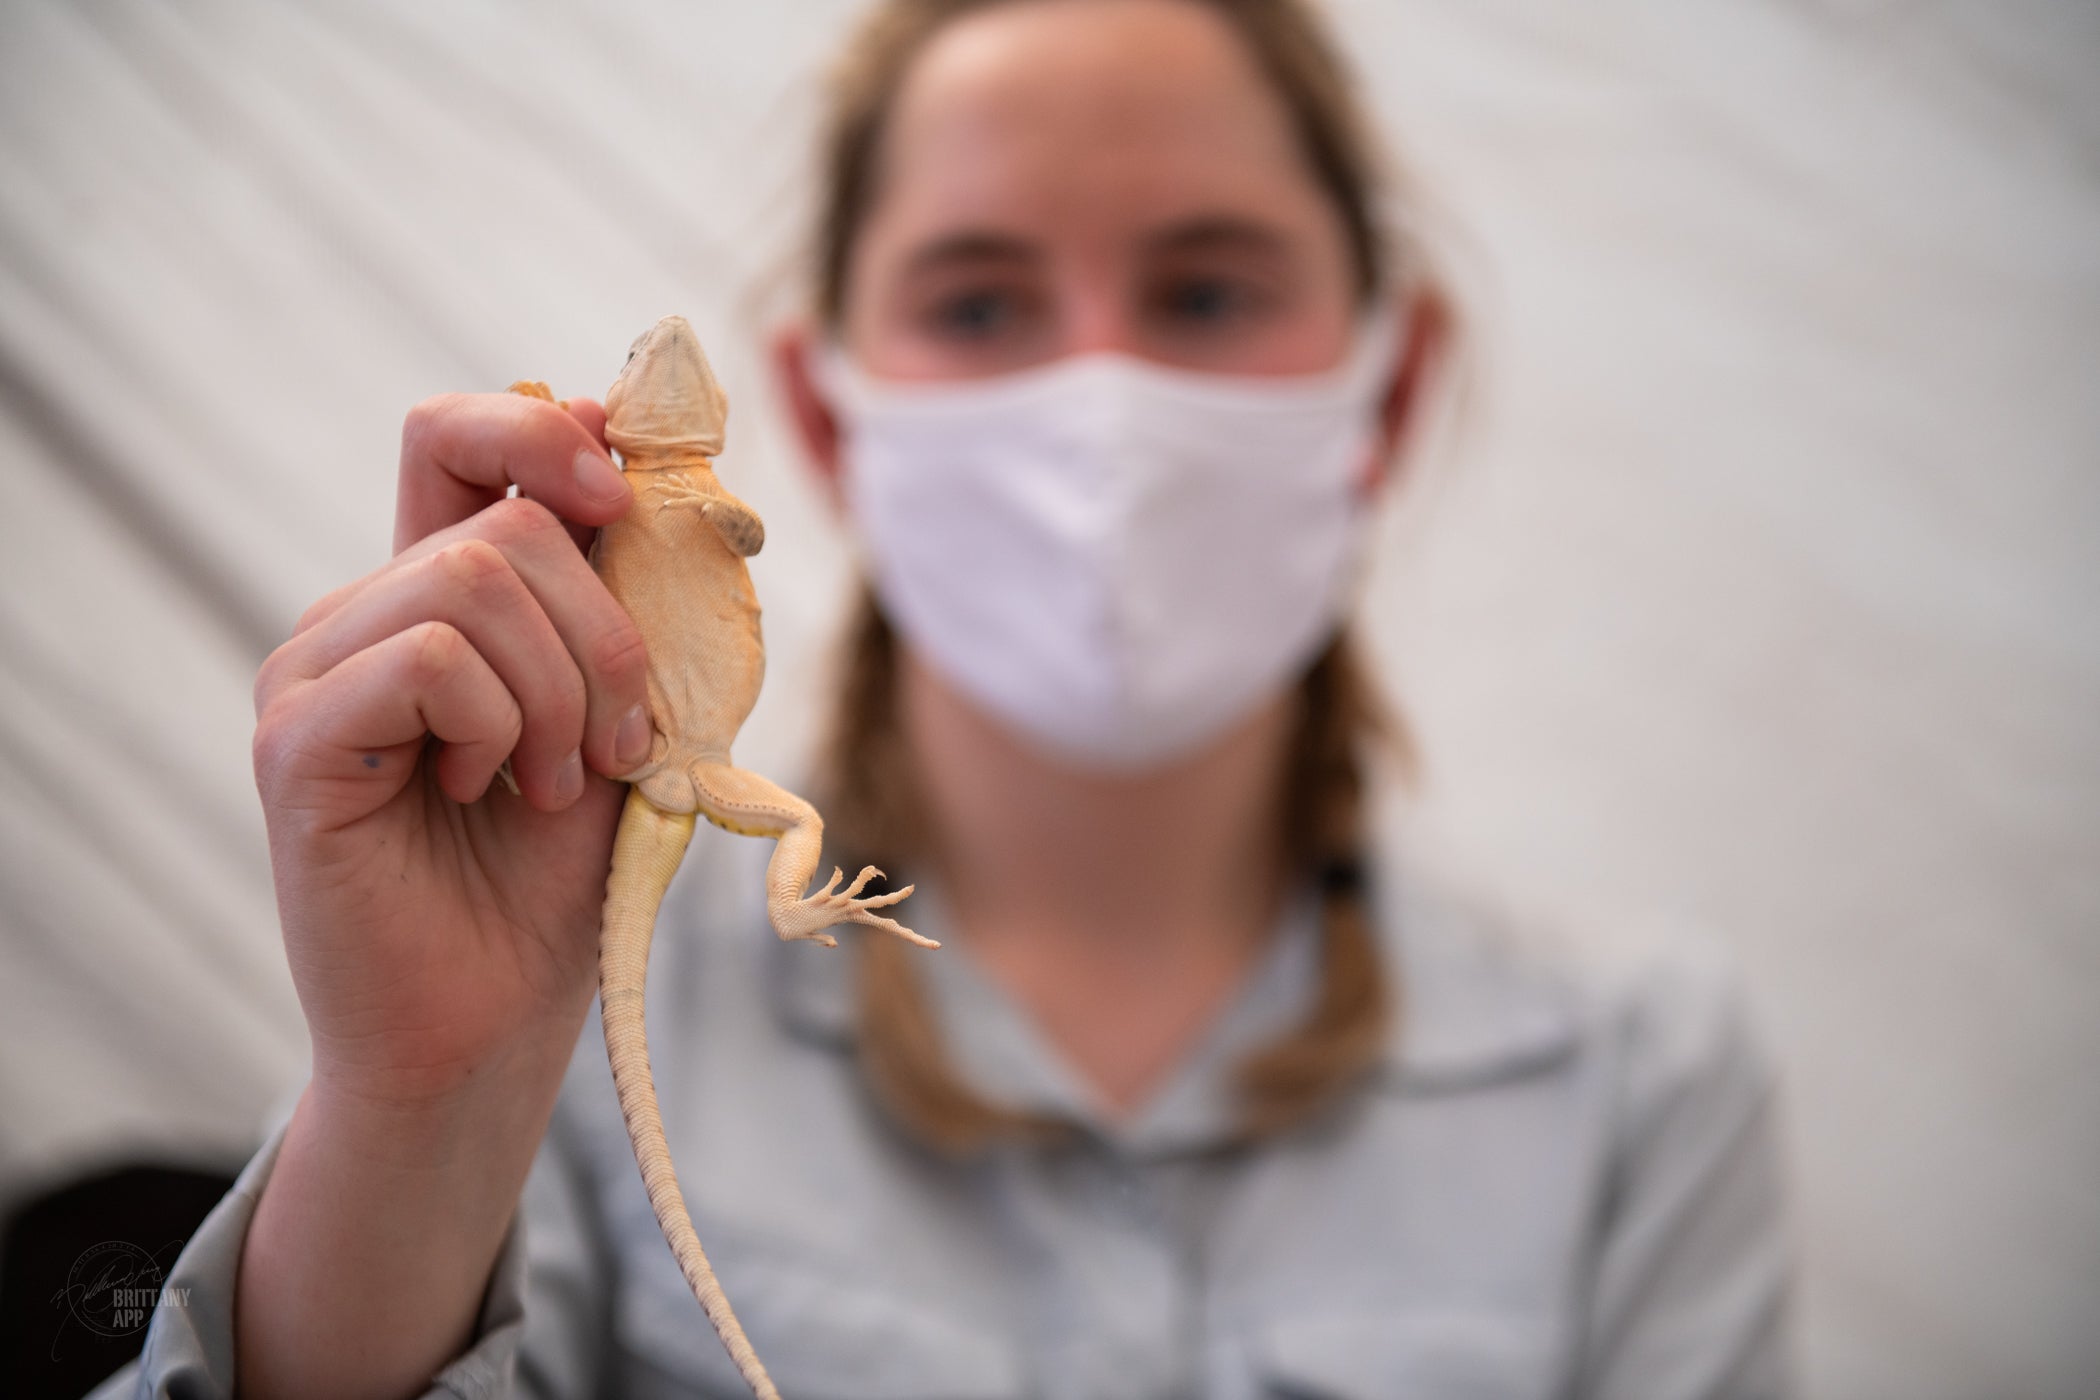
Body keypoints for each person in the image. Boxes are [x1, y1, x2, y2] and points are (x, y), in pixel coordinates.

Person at [95, 1, 1791, 1396]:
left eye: (1206, 290)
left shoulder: (1634, 1074)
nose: (1100, 395)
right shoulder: (568, 1005)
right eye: (979, 301)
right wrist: (418, 1112)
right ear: (829, 421)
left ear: (1389, 387)